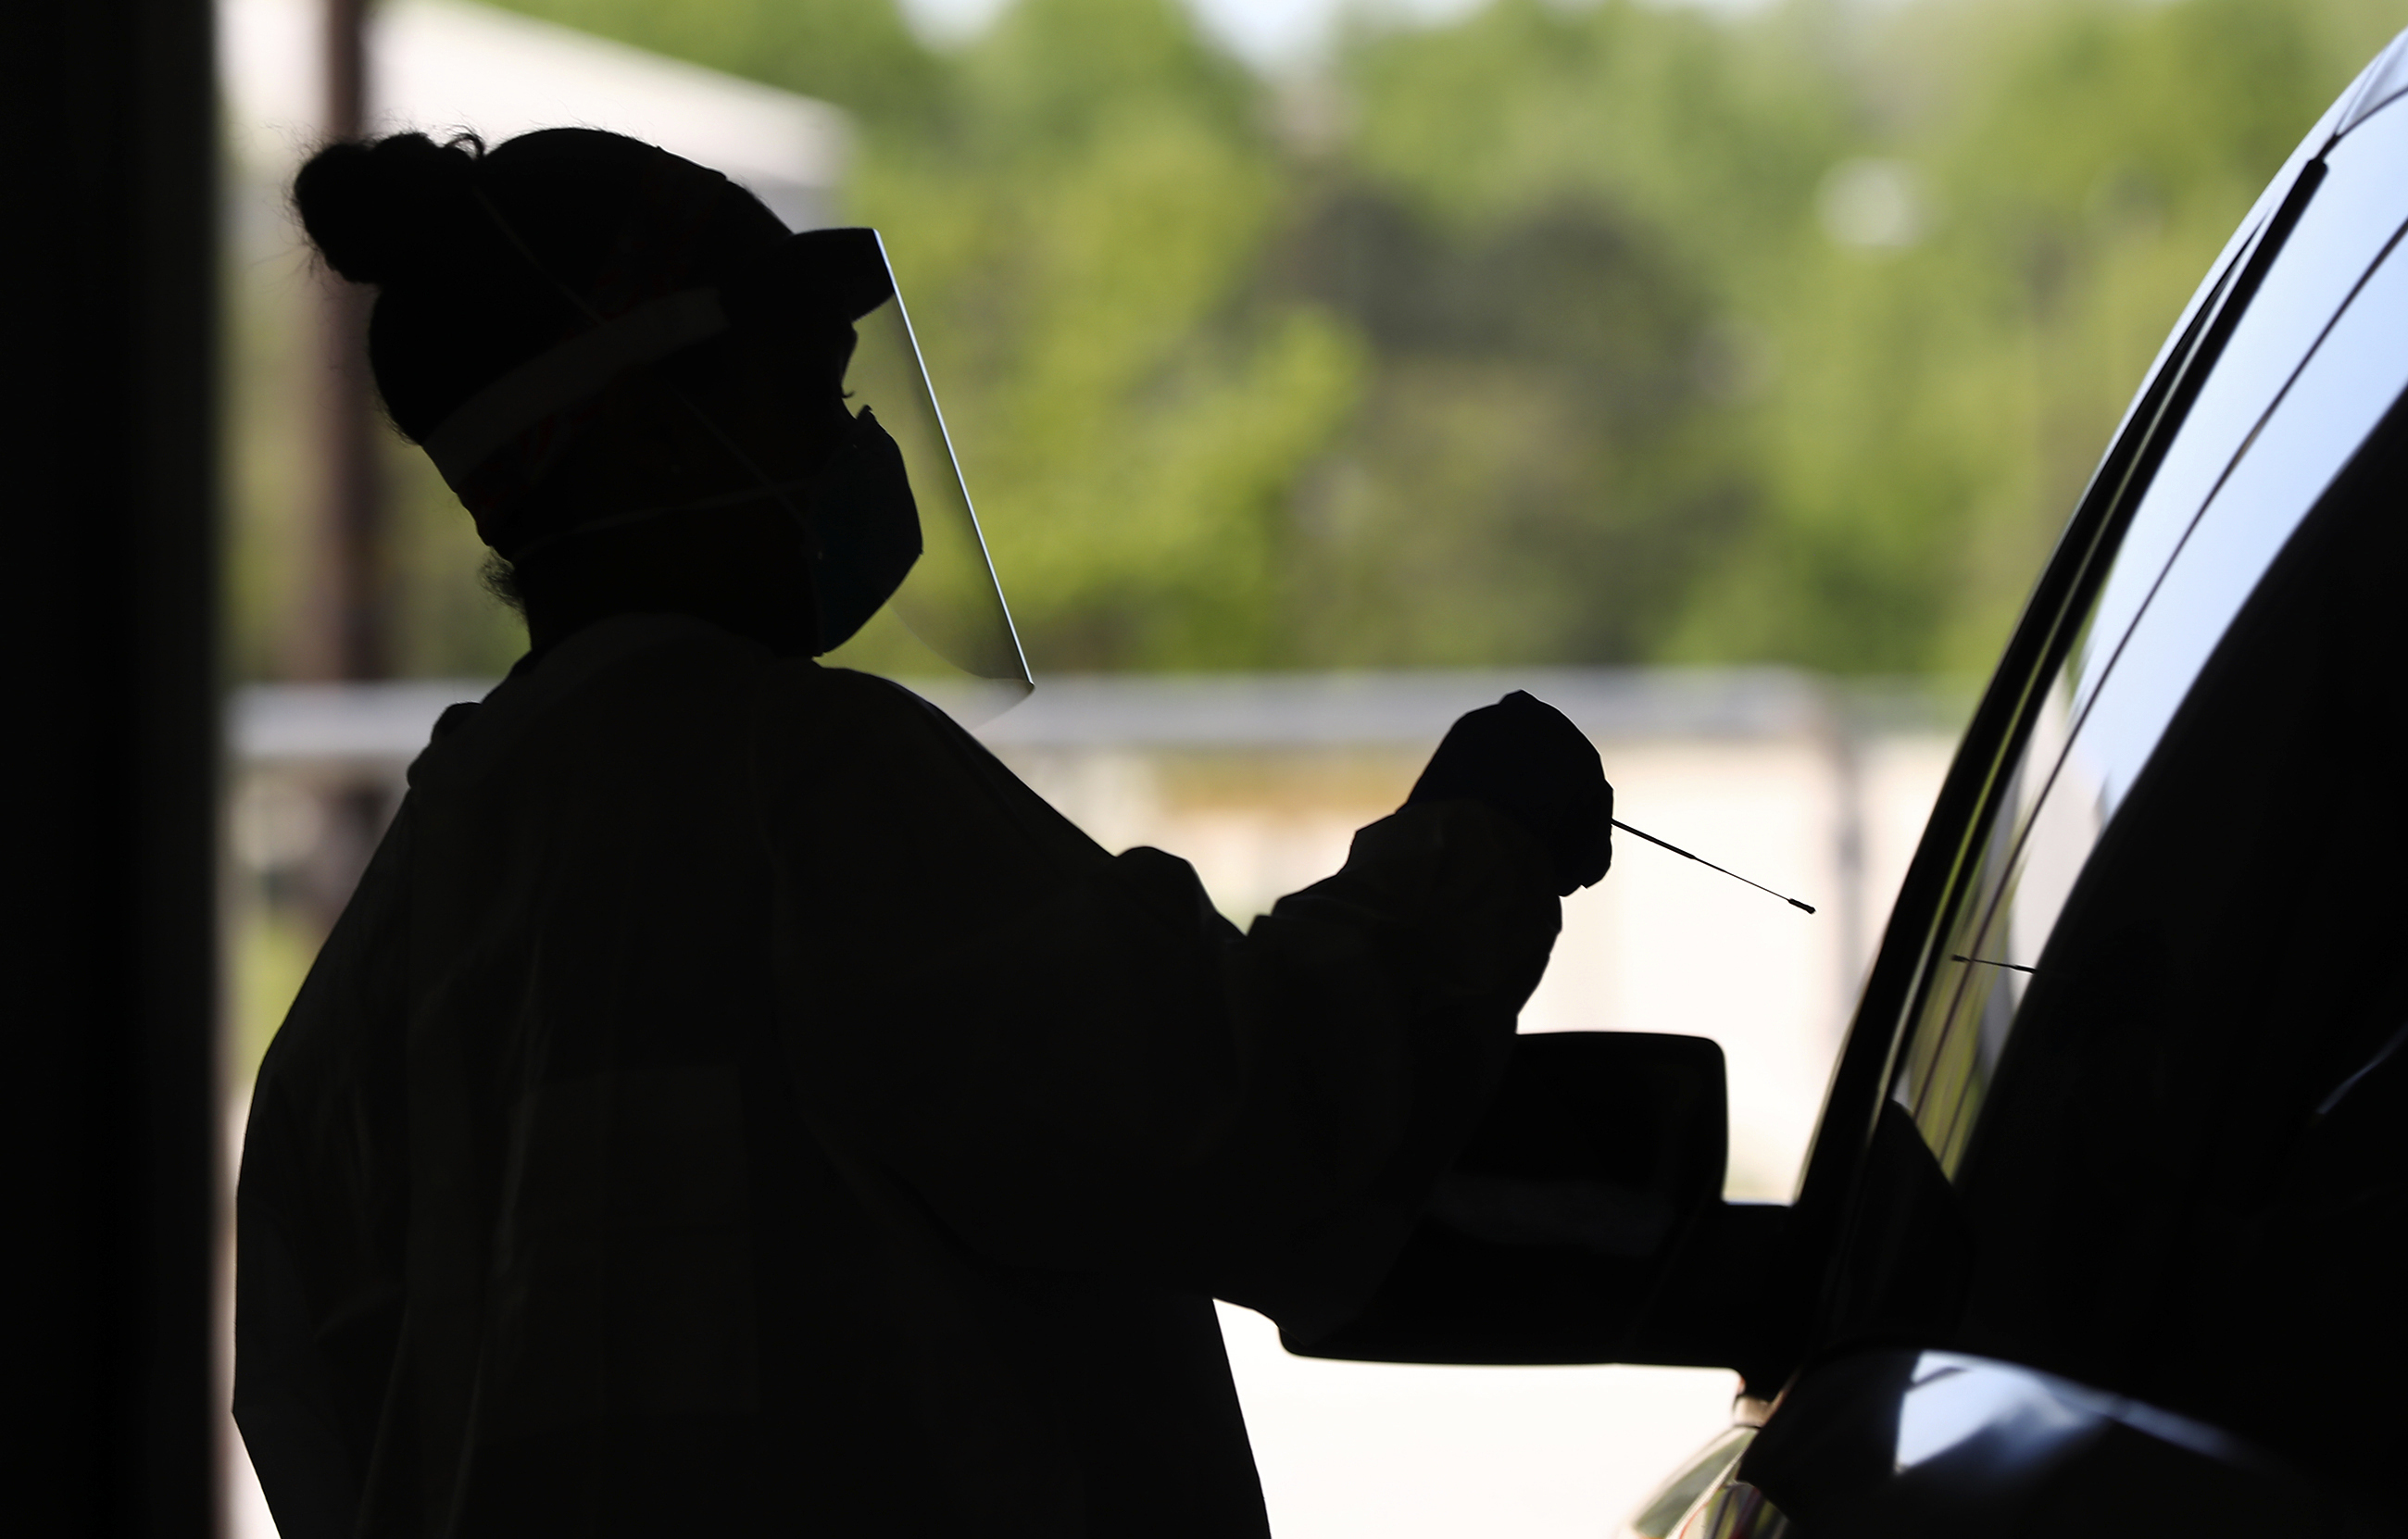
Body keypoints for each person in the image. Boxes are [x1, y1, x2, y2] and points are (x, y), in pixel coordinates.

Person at [234, 127, 1614, 1539]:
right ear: (647, 434)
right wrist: (1481, 848)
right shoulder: (802, 794)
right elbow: (1246, 1120)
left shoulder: (367, 989)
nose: (848, 448)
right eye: (805, 392)